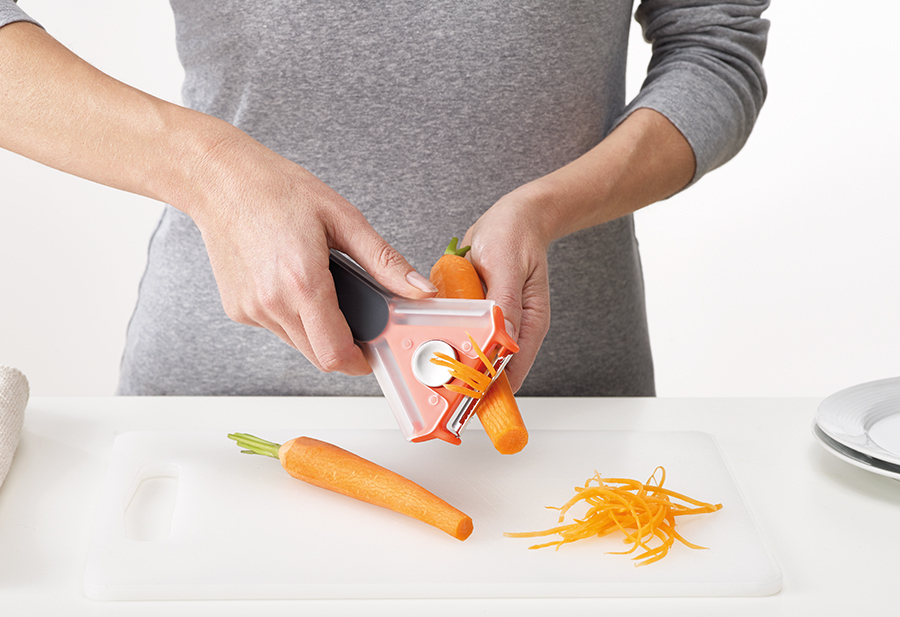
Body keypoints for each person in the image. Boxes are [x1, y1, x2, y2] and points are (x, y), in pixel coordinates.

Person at [0, 1, 769, 397]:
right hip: (226, 405)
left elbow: (715, 48)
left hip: (554, 410)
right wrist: (208, 169)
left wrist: (549, 207)